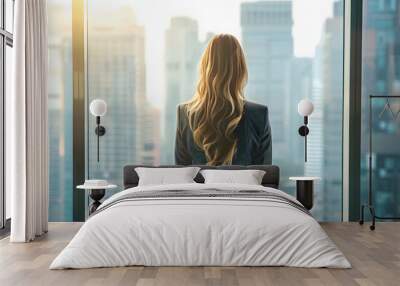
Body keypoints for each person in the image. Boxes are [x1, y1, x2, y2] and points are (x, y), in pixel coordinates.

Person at [175, 34, 271, 166]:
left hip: (195, 188)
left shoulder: (184, 113)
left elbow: (181, 177)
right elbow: (265, 177)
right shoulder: (259, 114)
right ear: (241, 69)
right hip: (244, 187)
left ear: (205, 67)